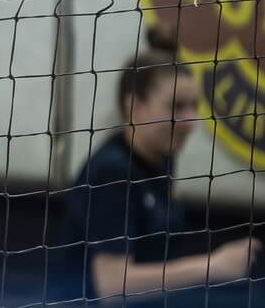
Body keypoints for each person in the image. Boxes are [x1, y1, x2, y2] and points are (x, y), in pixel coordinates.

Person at [53, 48, 261, 305]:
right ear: (135, 107)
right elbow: (111, 286)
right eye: (176, 107)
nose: (190, 121)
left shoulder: (161, 157)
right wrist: (213, 266)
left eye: (194, 106)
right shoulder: (113, 173)